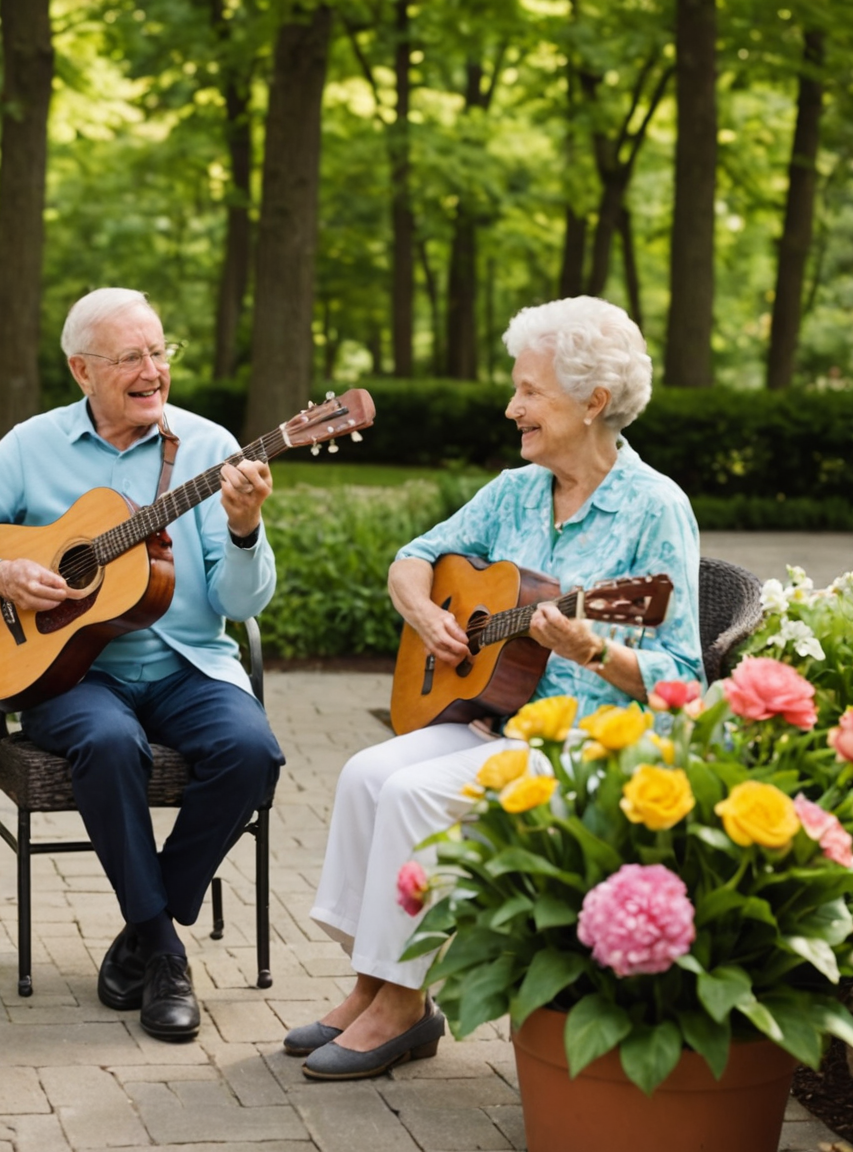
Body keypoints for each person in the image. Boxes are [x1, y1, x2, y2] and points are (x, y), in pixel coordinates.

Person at [294, 296, 702, 1081]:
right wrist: (426, 615)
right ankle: (374, 983)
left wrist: (593, 650)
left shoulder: (657, 508)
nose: (511, 407)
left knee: (413, 793)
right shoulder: (517, 491)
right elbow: (413, 558)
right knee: (365, 775)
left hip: (585, 743)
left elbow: (684, 673)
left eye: (529, 392)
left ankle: (404, 1005)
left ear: (592, 403)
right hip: (494, 717)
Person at [0, 288, 283, 1043]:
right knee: (109, 746)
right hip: (69, 673)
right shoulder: (30, 446)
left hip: (187, 663)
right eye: (130, 357)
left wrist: (244, 529)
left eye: (159, 352)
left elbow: (244, 600)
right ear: (82, 369)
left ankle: (146, 928)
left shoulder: (209, 449)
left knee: (253, 752)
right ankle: (168, 957)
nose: (152, 370)